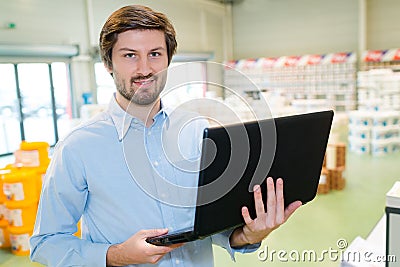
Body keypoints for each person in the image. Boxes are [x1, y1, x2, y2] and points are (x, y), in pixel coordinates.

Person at [30, 4, 302, 267]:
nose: (145, 68)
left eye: (155, 54)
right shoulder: (78, 147)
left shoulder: (196, 131)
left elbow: (209, 223)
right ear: (108, 63)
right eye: (129, 55)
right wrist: (117, 255)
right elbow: (46, 243)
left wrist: (247, 235)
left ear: (169, 60)